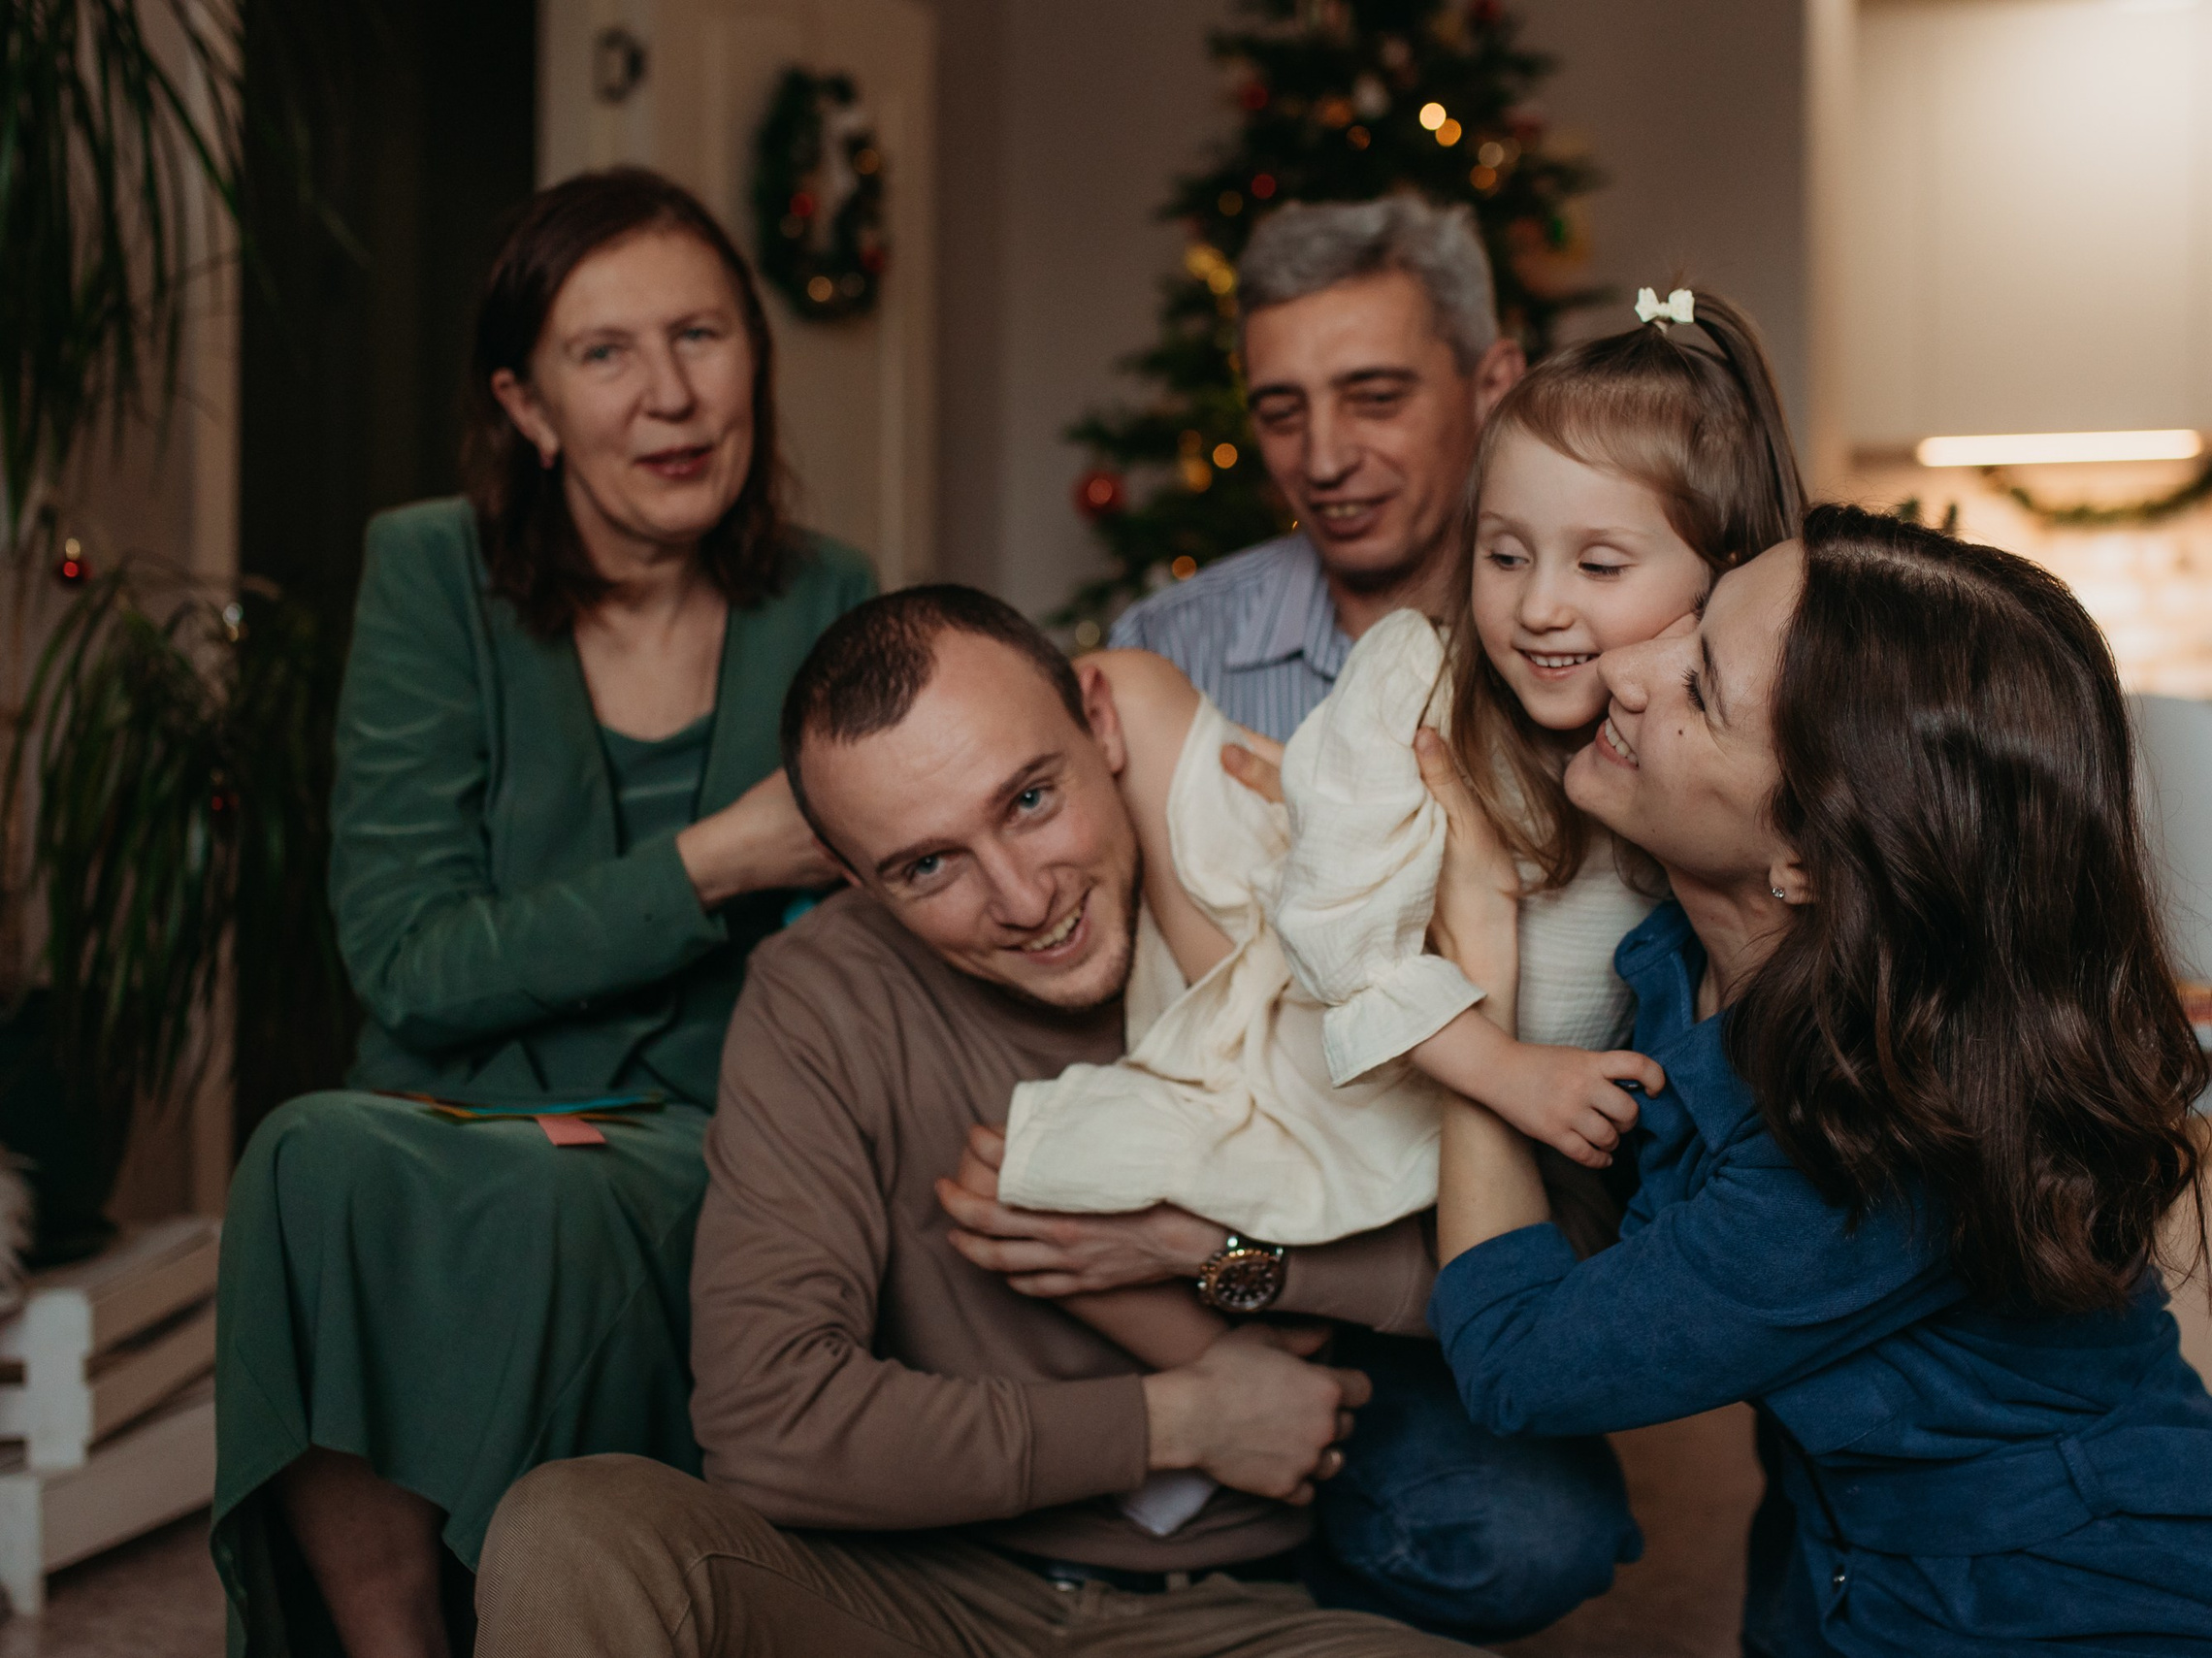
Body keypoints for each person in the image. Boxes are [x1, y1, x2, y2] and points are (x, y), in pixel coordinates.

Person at [470, 586, 1635, 1655]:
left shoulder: (1278, 885)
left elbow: (1565, 1266)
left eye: (1031, 800)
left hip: (1233, 1611)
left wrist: (1221, 1255)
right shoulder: (819, 997)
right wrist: (1178, 1418)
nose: (1024, 899)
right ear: (855, 875)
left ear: (1100, 721)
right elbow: (770, 1425)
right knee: (575, 1524)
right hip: (912, 1599)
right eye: (928, 865)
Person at [1419, 504, 2212, 1657]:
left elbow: (1518, 1363)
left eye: (1699, 688)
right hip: (1870, 1581)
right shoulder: (1679, 959)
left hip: (2103, 1613)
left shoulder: (1864, 1148)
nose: (1622, 667)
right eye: (1688, 622)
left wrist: (1465, 1002)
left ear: (1806, 854)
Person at [211, 167, 878, 1658]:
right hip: (449, 1103)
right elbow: (406, 957)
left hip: (705, 1126)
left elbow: (856, 951)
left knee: (565, 1206)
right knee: (307, 1158)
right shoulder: (430, 573)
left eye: (701, 335)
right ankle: (396, 1642)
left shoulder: (829, 595)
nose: (670, 395)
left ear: (754, 356)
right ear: (528, 406)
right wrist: (715, 860)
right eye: (605, 353)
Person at [995, 298, 1806, 1384]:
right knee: (1139, 702)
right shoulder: (1412, 676)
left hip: (1490, 1142)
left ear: (1724, 581)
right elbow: (1333, 937)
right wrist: (1501, 1071)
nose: (1538, 606)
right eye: (1505, 554)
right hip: (1319, 1033)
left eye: (1600, 566)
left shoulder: (1706, 775)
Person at [1109, 198, 1523, 741]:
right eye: (1282, 413)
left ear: (1492, 388)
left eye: (1376, 399)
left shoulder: (1584, 642)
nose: (1323, 463)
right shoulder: (1163, 652)